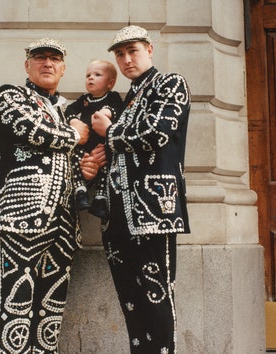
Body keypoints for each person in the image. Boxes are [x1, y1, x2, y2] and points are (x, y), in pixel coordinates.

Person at [0, 38, 98, 353]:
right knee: (16, 303)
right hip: (22, 216)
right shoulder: (10, 96)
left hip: (64, 223)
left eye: (54, 59)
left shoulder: (68, 109)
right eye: (40, 58)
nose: (47, 64)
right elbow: (31, 129)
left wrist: (87, 169)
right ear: (28, 65)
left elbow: (70, 160)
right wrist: (75, 135)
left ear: (63, 68)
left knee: (51, 306)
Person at [91, 25, 191, 353]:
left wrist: (112, 131)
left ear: (149, 49)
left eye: (132, 50)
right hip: (118, 215)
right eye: (119, 54)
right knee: (131, 301)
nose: (126, 59)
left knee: (157, 296)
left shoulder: (170, 84)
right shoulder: (128, 98)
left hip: (153, 210)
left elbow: (157, 133)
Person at [65, 59, 123, 218]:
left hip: (102, 146)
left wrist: (109, 112)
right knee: (75, 159)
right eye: (88, 75)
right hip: (84, 146)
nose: (90, 78)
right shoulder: (84, 100)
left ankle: (100, 199)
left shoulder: (113, 97)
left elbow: (120, 109)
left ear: (110, 83)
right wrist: (73, 120)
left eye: (97, 75)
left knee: (107, 166)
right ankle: (80, 192)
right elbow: (69, 110)